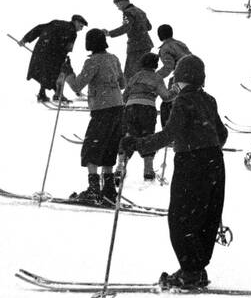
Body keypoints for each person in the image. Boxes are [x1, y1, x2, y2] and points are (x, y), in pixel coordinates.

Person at [125, 54, 228, 290]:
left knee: (181, 217)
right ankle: (196, 268)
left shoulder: (183, 101)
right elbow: (222, 134)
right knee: (205, 215)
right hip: (214, 162)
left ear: (182, 79)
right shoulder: (209, 100)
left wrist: (137, 143)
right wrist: (206, 143)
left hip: (191, 163)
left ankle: (190, 271)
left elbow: (168, 134)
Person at [64, 29, 125, 205]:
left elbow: (77, 85)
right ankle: (109, 189)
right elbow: (122, 83)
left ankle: (93, 189)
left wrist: (67, 72)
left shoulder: (92, 62)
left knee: (92, 147)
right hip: (118, 107)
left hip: (102, 109)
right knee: (109, 146)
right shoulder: (113, 58)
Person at [122, 52, 170, 181]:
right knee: (148, 137)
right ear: (155, 65)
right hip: (147, 109)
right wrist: (175, 91)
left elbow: (124, 96)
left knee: (128, 136)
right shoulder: (157, 78)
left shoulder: (135, 77)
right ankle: (148, 170)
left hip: (130, 108)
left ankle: (121, 166)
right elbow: (165, 97)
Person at [20, 14, 87, 103]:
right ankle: (58, 95)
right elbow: (67, 48)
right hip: (53, 54)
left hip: (41, 50)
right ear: (76, 22)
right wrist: (64, 60)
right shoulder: (72, 33)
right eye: (81, 26)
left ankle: (42, 94)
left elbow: (39, 28)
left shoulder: (56, 22)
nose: (81, 29)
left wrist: (25, 39)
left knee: (44, 72)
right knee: (58, 72)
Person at [108, 0, 153, 78]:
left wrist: (109, 33)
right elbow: (149, 27)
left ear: (122, 2)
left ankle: (131, 90)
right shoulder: (140, 11)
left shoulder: (127, 13)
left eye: (118, 5)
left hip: (136, 47)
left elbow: (125, 28)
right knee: (144, 71)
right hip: (147, 44)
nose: (118, 8)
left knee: (130, 74)